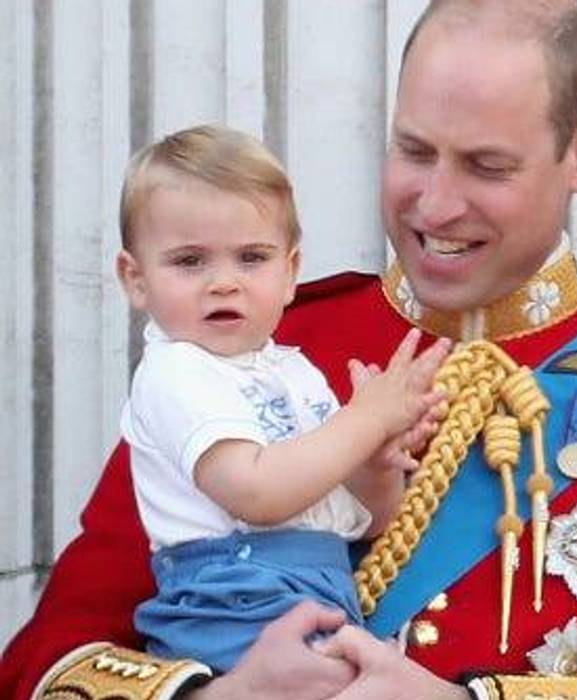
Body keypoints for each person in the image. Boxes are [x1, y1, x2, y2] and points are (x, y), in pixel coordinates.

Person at [0, 2, 577, 699]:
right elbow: (47, 660)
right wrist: (220, 694)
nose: (436, 205)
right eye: (413, 152)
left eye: (487, 166)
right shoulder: (253, 346)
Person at [112, 124, 450, 673]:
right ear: (136, 278)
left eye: (251, 258)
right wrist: (365, 421)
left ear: (290, 272)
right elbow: (257, 492)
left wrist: (378, 463)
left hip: (314, 589)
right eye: (190, 261)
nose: (224, 282)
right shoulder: (175, 371)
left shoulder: (295, 372)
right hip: (232, 598)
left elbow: (369, 522)